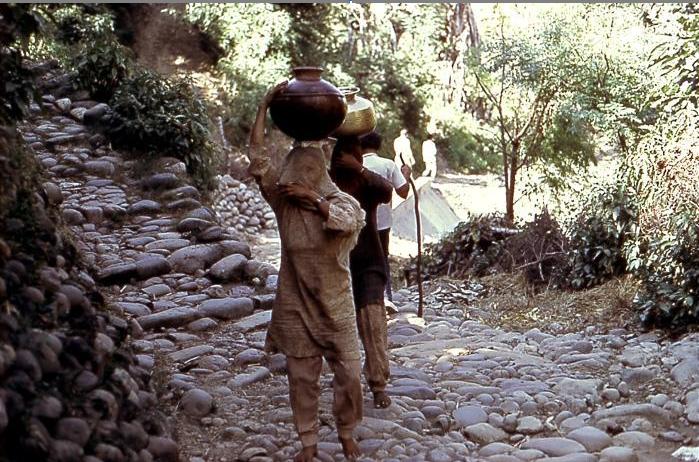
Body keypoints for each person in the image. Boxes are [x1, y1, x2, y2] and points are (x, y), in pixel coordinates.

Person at [248, 82, 365, 462]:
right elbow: (258, 159)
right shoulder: (282, 204)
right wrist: (265, 106)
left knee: (349, 372)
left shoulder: (340, 202)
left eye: (305, 171)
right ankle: (308, 443)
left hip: (336, 305)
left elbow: (348, 222)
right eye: (292, 170)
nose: (293, 175)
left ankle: (347, 431)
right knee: (301, 378)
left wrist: (315, 200)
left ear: (317, 175)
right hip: (295, 303)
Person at [330, 136, 394, 409]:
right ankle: (345, 382)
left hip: (369, 262)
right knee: (338, 328)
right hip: (336, 265)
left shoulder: (367, 182)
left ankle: (378, 385)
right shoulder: (328, 182)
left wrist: (360, 169)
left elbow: (387, 191)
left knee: (373, 323)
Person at [359, 131, 411, 302]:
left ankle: (361, 296)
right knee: (382, 257)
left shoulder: (353, 164)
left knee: (359, 257)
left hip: (357, 221)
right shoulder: (387, 164)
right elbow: (403, 192)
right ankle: (385, 296)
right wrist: (406, 174)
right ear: (378, 146)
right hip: (382, 221)